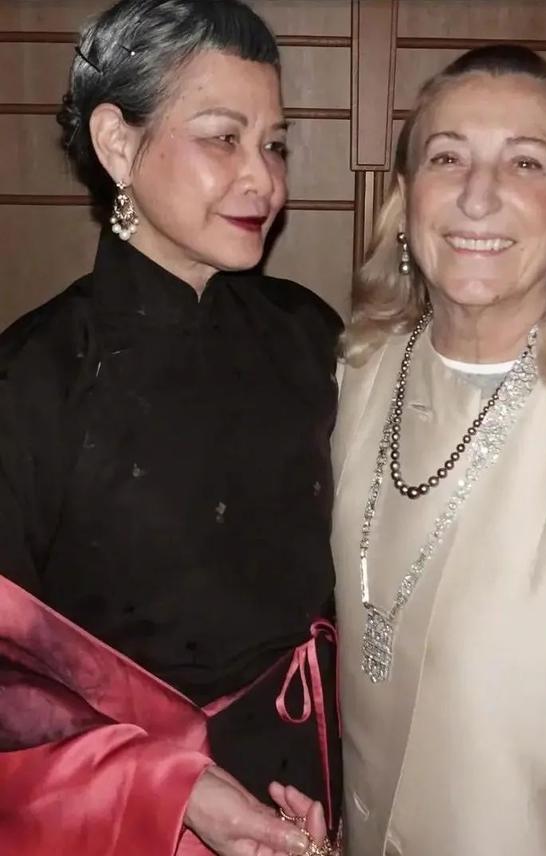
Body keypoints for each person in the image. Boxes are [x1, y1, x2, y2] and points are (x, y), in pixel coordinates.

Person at [0, 1, 342, 854]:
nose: (263, 180)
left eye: (274, 144)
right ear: (117, 144)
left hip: (311, 781)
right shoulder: (31, 379)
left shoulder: (310, 335)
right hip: (130, 809)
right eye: (223, 138)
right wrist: (176, 788)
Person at [332, 44, 546, 856]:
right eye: (447, 158)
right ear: (406, 196)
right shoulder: (357, 375)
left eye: (526, 163)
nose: (477, 195)